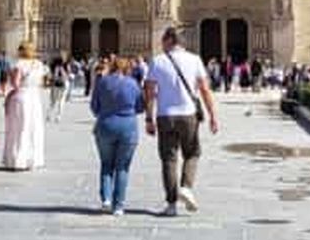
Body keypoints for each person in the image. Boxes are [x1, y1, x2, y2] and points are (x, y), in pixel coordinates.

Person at [144, 27, 219, 217]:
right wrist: (212, 116)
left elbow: (150, 93)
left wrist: (149, 118)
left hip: (165, 116)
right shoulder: (194, 60)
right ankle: (186, 187)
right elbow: (204, 90)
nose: (161, 44)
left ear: (169, 41)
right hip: (188, 115)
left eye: (163, 40)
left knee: (168, 159)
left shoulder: (158, 61)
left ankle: (171, 205)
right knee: (192, 153)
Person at [90, 57, 144, 215]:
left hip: (105, 126)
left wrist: (105, 113)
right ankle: (118, 206)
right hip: (128, 128)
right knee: (122, 167)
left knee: (106, 164)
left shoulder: (102, 82)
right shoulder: (133, 84)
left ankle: (106, 199)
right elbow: (140, 107)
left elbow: (94, 107)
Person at [3, 42, 46, 170]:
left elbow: (16, 84)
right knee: (33, 128)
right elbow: (42, 83)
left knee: (19, 128)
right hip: (34, 98)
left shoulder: (19, 64)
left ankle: (18, 160)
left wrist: (9, 92)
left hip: (21, 97)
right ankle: (32, 160)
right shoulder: (39, 65)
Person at [47, 57, 68, 123]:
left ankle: (49, 114)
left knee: (53, 101)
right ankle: (58, 116)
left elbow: (51, 77)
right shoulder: (64, 67)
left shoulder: (53, 68)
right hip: (63, 85)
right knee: (61, 101)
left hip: (55, 86)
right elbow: (66, 77)